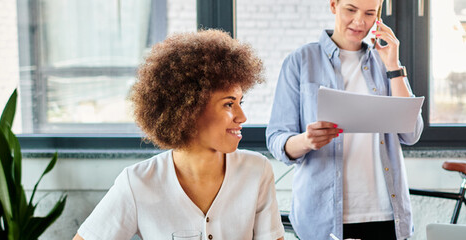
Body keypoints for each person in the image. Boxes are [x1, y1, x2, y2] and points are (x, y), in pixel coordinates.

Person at [74, 30, 284, 240]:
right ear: (189, 110)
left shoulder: (256, 171)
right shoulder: (139, 182)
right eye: (229, 104)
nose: (242, 117)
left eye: (240, 102)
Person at [265, 0, 423, 239]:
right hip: (323, 218)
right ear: (333, 5)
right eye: (351, 9)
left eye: (370, 13)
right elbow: (277, 139)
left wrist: (393, 65)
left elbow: (410, 133)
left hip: (385, 214)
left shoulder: (384, 63)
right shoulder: (300, 61)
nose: (360, 21)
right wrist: (307, 140)